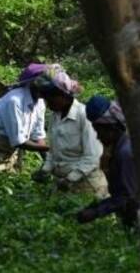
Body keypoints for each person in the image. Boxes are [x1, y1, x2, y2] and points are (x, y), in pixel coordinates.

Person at [31, 67, 107, 196]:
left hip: (87, 185)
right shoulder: (56, 116)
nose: (48, 104)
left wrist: (70, 178)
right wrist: (45, 169)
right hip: (63, 183)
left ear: (63, 95)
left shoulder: (84, 115)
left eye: (50, 99)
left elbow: (93, 156)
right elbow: (53, 151)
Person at [0, 63, 49, 178]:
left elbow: (38, 135)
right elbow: (19, 141)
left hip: (10, 151)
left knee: (6, 185)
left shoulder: (40, 102)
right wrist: (50, 149)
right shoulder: (14, 101)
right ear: (36, 84)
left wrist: (47, 159)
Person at [77, 95, 138, 228]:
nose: (98, 136)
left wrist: (96, 212)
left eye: (100, 131)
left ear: (113, 128)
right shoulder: (117, 149)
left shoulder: (125, 153)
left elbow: (126, 197)